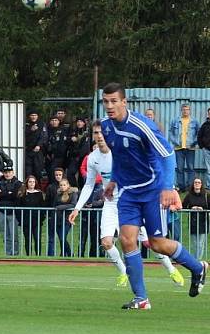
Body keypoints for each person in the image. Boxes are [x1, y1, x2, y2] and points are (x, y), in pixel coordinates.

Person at [100, 82, 207, 309]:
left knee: (156, 244)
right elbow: (120, 156)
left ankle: (198, 268)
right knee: (127, 240)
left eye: (113, 101)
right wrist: (113, 180)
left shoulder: (141, 125)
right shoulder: (106, 128)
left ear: (124, 102)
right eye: (105, 101)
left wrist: (168, 187)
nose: (109, 106)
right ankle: (141, 299)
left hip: (152, 189)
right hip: (128, 192)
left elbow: (168, 154)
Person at [69, 120, 185, 287]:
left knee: (150, 243)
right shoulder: (93, 158)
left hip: (130, 201)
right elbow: (89, 184)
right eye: (96, 133)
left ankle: (171, 270)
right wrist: (77, 208)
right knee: (107, 242)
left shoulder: (120, 152)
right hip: (110, 204)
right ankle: (124, 273)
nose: (99, 136)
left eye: (101, 133)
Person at [168, 103, 200, 191]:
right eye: (184, 109)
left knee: (190, 167)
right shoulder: (175, 120)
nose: (185, 111)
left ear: (190, 111)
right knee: (179, 168)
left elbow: (199, 133)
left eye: (187, 109)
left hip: (190, 148)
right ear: (181, 110)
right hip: (179, 148)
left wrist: (194, 142)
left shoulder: (194, 121)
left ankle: (190, 187)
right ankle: (181, 187)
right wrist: (175, 142)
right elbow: (170, 132)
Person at [182, 177, 210, 260]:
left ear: (201, 184)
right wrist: (191, 208)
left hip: (203, 220)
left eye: (199, 182)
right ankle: (195, 259)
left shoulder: (206, 195)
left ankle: (197, 259)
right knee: (194, 243)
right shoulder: (189, 195)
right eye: (195, 182)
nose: (197, 184)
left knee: (201, 243)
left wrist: (203, 209)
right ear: (193, 184)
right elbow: (183, 206)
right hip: (193, 220)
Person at [0, 165, 22, 255]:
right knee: (6, 235)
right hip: (2, 211)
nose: (7, 174)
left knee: (14, 235)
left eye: (9, 172)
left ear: (13, 173)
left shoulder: (18, 183)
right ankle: (8, 253)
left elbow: (15, 195)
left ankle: (15, 253)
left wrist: (3, 193)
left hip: (13, 212)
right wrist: (8, 194)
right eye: (6, 173)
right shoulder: (1, 183)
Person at [17, 175, 46, 256]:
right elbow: (18, 207)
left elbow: (42, 207)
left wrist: (41, 219)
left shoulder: (39, 194)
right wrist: (21, 219)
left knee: (37, 239)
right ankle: (28, 256)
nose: (32, 183)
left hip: (37, 221)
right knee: (28, 239)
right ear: (27, 183)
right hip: (26, 221)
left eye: (33, 182)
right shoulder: (22, 193)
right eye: (30, 182)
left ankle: (38, 256)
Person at [52, 179, 78, 257]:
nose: (62, 187)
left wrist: (61, 207)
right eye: (61, 185)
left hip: (67, 219)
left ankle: (69, 254)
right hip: (58, 219)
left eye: (64, 185)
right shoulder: (58, 194)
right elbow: (54, 205)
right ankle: (64, 253)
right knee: (60, 238)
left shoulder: (73, 194)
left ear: (68, 185)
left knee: (63, 237)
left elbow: (73, 204)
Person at [67, 116, 91, 186]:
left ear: (84, 123)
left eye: (81, 121)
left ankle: (81, 189)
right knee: (70, 173)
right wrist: (71, 139)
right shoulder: (73, 131)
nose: (79, 123)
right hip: (74, 157)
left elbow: (86, 147)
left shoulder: (87, 133)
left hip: (83, 157)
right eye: (78, 121)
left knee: (81, 176)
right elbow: (67, 142)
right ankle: (75, 187)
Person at [25, 109, 48, 180]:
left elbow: (44, 136)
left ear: (37, 116)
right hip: (27, 150)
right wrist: (30, 130)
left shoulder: (42, 124)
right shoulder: (26, 124)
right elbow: (21, 135)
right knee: (28, 171)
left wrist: (39, 145)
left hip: (38, 151)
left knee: (38, 170)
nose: (33, 117)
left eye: (35, 115)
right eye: (32, 115)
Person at [46, 115, 69, 181]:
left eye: (56, 120)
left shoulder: (63, 130)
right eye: (52, 120)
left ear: (59, 121)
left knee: (58, 173)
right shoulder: (47, 130)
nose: (54, 122)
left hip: (60, 156)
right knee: (49, 173)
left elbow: (63, 144)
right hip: (48, 156)